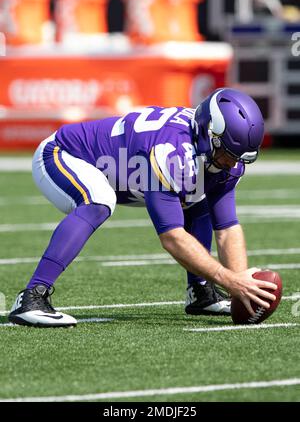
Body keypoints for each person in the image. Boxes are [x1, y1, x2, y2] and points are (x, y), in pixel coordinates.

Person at [8, 88, 278, 327]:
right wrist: (229, 279)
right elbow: (171, 237)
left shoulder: (220, 155)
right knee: (99, 201)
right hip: (62, 154)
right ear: (209, 134)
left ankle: (201, 292)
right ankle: (31, 297)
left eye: (237, 157)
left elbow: (227, 227)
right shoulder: (172, 150)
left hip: (125, 174)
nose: (231, 164)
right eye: (226, 154)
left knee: (199, 196)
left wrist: (241, 287)